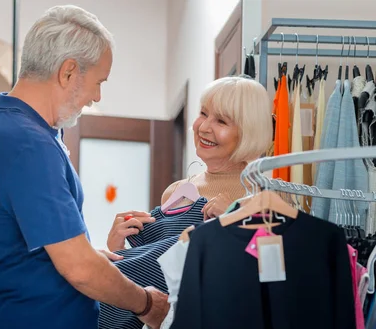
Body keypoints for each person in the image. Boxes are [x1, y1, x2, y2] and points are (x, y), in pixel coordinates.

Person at [0, 5, 169, 329]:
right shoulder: (24, 142)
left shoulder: (17, 130)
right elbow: (77, 269)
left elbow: (36, 247)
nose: (96, 96)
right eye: (97, 82)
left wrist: (93, 254)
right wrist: (145, 303)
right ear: (68, 71)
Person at [106, 75, 273, 252]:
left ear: (248, 132)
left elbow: (271, 267)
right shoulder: (173, 193)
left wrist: (235, 220)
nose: (203, 128)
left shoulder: (261, 195)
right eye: (203, 113)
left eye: (221, 121)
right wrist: (118, 249)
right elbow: (156, 271)